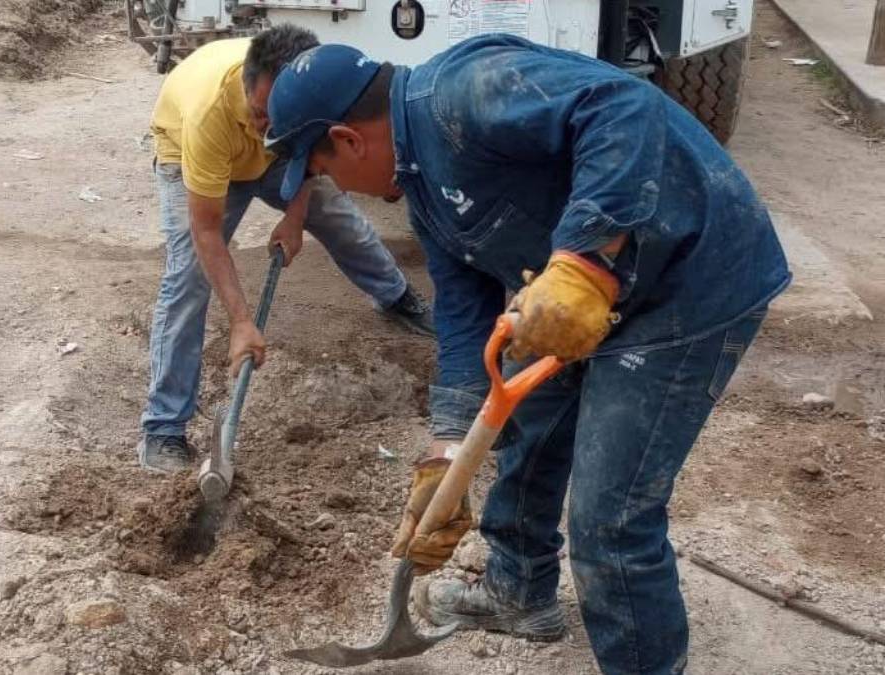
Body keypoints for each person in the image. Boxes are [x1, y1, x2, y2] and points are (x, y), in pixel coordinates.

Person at [264, 36, 791, 674]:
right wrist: (447, 453)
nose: (339, 188)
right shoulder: (422, 188)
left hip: (691, 281)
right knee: (528, 426)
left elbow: (623, 106)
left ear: (349, 140)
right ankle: (519, 591)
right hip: (596, 294)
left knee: (610, 520)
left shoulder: (462, 92)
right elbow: (462, 316)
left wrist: (584, 259)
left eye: (323, 172)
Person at [139, 25, 434, 473]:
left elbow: (308, 154)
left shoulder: (300, 97)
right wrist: (242, 322)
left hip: (271, 163)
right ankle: (163, 426)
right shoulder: (209, 114)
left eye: (276, 119)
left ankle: (395, 297)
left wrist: (295, 218)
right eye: (260, 115)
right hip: (194, 155)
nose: (266, 128)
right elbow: (207, 232)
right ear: (246, 88)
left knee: (338, 217)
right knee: (189, 278)